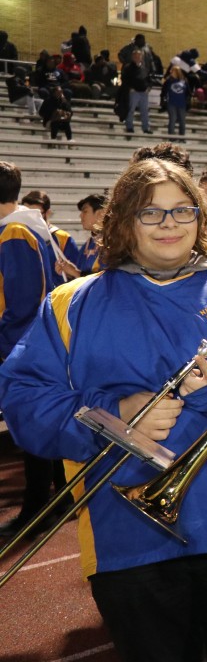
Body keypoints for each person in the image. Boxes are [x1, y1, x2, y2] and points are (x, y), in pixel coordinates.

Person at [0, 158, 207, 661]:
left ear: (201, 219)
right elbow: (25, 402)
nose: (169, 224)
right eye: (151, 213)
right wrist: (114, 412)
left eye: (182, 210)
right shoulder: (69, 303)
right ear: (124, 221)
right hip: (126, 540)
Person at [0, 161, 61, 540]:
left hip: (23, 343)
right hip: (33, 341)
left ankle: (38, 508)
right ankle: (54, 499)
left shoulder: (15, 232)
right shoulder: (24, 226)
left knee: (30, 423)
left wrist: (6, 346)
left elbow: (22, 302)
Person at [120, 49, 152, 134]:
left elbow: (149, 79)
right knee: (131, 110)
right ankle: (129, 126)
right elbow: (124, 79)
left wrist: (148, 87)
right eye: (136, 56)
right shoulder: (128, 67)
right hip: (134, 92)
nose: (137, 58)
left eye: (139, 56)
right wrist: (130, 88)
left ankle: (146, 128)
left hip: (144, 92)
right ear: (132, 57)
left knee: (145, 111)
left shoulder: (144, 68)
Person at [76, 193, 107, 274]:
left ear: (100, 214)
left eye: (85, 211)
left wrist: (75, 273)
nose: (80, 216)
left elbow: (106, 278)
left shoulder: (112, 243)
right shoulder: (89, 243)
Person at [163, 64, 190, 136]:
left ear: (177, 72)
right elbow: (164, 91)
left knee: (182, 120)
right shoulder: (168, 81)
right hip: (171, 103)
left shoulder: (184, 81)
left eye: (173, 71)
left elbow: (188, 92)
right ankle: (171, 136)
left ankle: (182, 136)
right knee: (173, 119)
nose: (171, 72)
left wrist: (188, 101)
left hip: (182, 103)